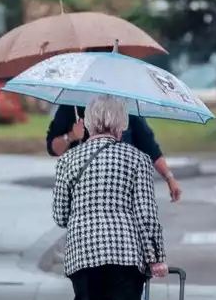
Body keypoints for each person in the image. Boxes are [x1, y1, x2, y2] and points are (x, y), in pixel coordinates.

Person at [52, 94, 168, 300]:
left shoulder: (69, 161)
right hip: (125, 253)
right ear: (121, 123)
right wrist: (156, 257)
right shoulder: (137, 159)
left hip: (82, 253)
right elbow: (146, 214)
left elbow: (60, 214)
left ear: (87, 123)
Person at [45, 52, 183, 202]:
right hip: (86, 188)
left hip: (120, 187)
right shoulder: (72, 106)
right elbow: (53, 148)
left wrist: (169, 178)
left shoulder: (124, 107)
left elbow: (150, 147)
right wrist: (71, 135)